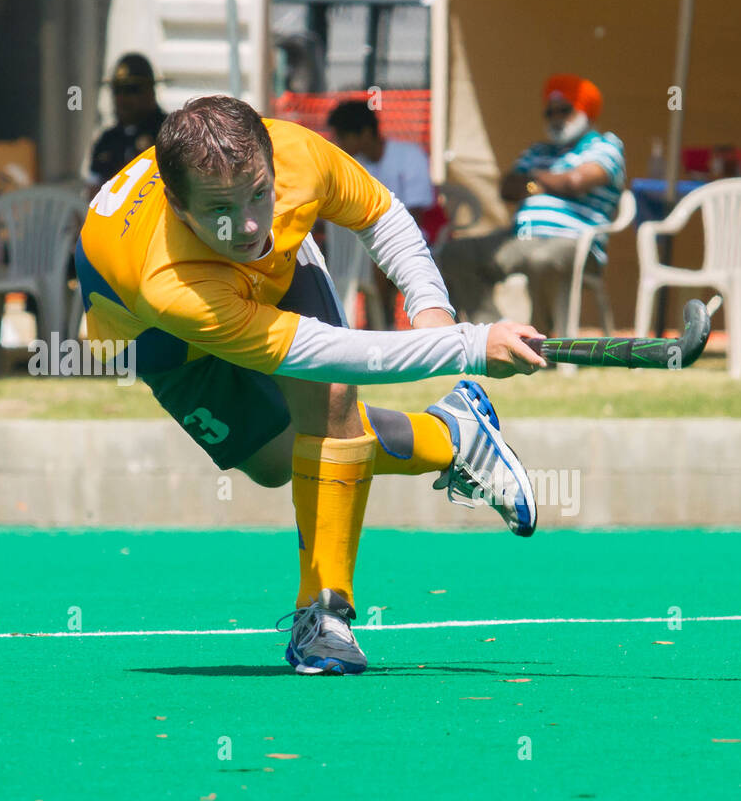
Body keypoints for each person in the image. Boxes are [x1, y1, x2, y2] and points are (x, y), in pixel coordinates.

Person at [77, 96, 546, 675]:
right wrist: (471, 346)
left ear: (271, 165)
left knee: (327, 405)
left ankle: (325, 617)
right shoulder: (169, 285)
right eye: (220, 208)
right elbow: (339, 354)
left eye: (258, 193)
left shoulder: (295, 151)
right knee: (275, 462)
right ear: (177, 205)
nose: (249, 225)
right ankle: (451, 434)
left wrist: (429, 302)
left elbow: (380, 214)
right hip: (162, 336)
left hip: (274, 280)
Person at [439, 75, 626, 330]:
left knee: (542, 260)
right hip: (521, 237)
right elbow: (507, 188)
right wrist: (549, 181)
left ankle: (546, 347)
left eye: (565, 110)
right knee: (454, 254)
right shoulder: (538, 151)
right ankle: (496, 335)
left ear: (586, 111)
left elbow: (576, 183)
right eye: (550, 112)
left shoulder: (606, 145)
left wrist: (535, 178)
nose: (556, 117)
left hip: (574, 242)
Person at [326, 100, 435, 328]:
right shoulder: (352, 164)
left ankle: (385, 327)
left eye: (343, 137)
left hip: (410, 238)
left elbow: (417, 214)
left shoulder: (409, 156)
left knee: (377, 262)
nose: (338, 144)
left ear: (365, 134)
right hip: (362, 245)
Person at [88, 54, 167, 190]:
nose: (122, 98)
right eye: (117, 91)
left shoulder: (168, 132)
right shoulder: (108, 139)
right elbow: (94, 188)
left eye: (131, 90)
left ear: (150, 92)